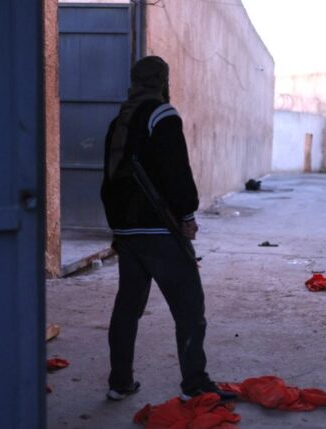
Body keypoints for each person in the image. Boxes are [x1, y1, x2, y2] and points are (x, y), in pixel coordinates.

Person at [100, 56, 236, 402]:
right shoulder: (162, 115)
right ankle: (195, 384)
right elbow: (177, 171)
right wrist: (187, 215)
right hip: (159, 230)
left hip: (128, 233)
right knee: (190, 308)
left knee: (127, 308)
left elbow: (108, 180)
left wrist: (118, 229)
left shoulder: (120, 121)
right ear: (163, 81)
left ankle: (120, 382)